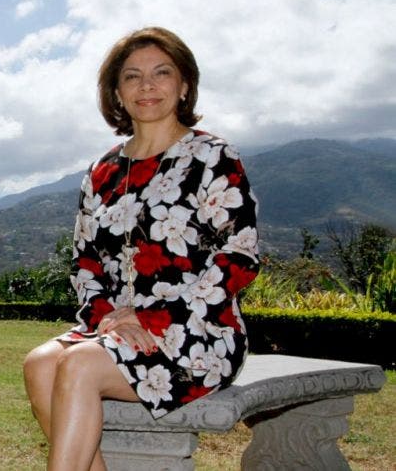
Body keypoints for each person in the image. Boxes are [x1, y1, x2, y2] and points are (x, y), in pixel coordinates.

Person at [22, 26, 260, 470]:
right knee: (39, 364)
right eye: (132, 76)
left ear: (184, 84)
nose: (147, 86)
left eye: (161, 72)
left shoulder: (212, 157)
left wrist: (152, 316)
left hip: (196, 332)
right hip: (114, 331)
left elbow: (239, 256)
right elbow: (86, 261)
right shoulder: (102, 171)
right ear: (116, 91)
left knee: (77, 367)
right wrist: (108, 320)